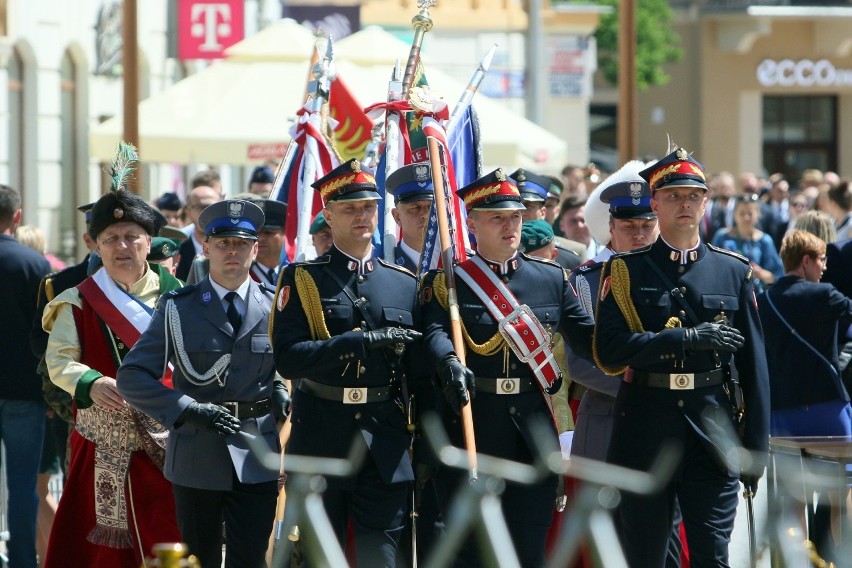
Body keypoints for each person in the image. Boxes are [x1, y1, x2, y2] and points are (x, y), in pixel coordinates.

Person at [594, 146, 770, 567]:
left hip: (713, 430)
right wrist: (680, 338)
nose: (684, 204)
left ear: (706, 202)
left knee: (712, 553)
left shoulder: (732, 271)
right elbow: (610, 352)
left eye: (693, 195)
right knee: (647, 555)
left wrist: (756, 447)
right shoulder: (625, 271)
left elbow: (753, 366)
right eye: (673, 196)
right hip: (644, 430)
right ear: (654, 203)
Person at [419, 168, 595, 566]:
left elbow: (592, 339)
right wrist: (447, 359)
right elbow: (433, 329)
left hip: (533, 432)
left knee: (528, 548)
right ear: (473, 222)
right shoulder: (452, 281)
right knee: (473, 548)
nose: (509, 226)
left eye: (515, 217)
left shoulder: (551, 278)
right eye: (497, 218)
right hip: (473, 429)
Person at [117, 199, 286, 568]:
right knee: (199, 560)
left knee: (251, 560)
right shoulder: (179, 306)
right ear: (206, 246)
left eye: (241, 244)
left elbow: (285, 364)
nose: (232, 251)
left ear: (255, 248)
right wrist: (186, 409)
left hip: (256, 452)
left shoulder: (274, 305)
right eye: (223, 242)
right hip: (197, 452)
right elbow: (131, 376)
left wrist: (280, 388)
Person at [272, 159, 421, 567]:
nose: (362, 216)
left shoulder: (404, 282)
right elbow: (288, 359)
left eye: (369, 207)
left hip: (383, 438)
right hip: (322, 433)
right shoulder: (302, 279)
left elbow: (416, 369)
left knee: (384, 559)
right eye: (350, 209)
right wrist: (359, 343)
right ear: (329, 214)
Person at [41, 154, 183, 567]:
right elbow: (60, 362)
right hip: (104, 446)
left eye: (131, 236)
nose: (122, 246)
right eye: (111, 238)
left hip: (170, 444)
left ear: (149, 241)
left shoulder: (181, 295)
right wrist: (91, 383)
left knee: (169, 541)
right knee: (103, 552)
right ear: (96, 245)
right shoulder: (77, 301)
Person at [757, 230, 852, 563]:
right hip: (827, 410)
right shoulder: (824, 295)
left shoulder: (764, 299)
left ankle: (795, 561)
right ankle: (837, 560)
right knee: (839, 496)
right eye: (822, 259)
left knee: (791, 499)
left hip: (782, 413)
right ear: (807, 260)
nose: (825, 267)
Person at [0, 184, 51, 568]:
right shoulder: (34, 264)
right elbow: (49, 333)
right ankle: (21, 560)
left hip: (23, 393)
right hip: (24, 392)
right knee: (23, 485)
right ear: (17, 217)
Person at [711, 194, 784, 292]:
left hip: (755, 296)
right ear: (734, 214)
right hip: (726, 292)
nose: (746, 217)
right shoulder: (721, 236)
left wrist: (760, 273)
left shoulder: (765, 240)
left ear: (758, 215)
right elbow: (711, 268)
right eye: (742, 213)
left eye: (750, 214)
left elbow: (777, 276)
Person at [512, 168, 582, 270]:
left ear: (542, 212)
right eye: (515, 206)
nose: (521, 213)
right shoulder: (492, 252)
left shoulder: (571, 258)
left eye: (528, 206)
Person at [386, 162, 434, 272]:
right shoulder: (387, 266)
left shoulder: (457, 263)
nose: (425, 215)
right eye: (415, 208)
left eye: (431, 208)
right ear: (397, 217)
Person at [175, 184, 222, 281]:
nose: (206, 212)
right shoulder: (177, 251)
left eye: (211, 207)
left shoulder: (232, 249)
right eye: (201, 207)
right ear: (188, 212)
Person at [249, 198, 288, 286]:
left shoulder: (296, 274)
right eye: (254, 234)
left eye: (268, 233)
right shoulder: (240, 277)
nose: (259, 238)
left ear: (284, 233)